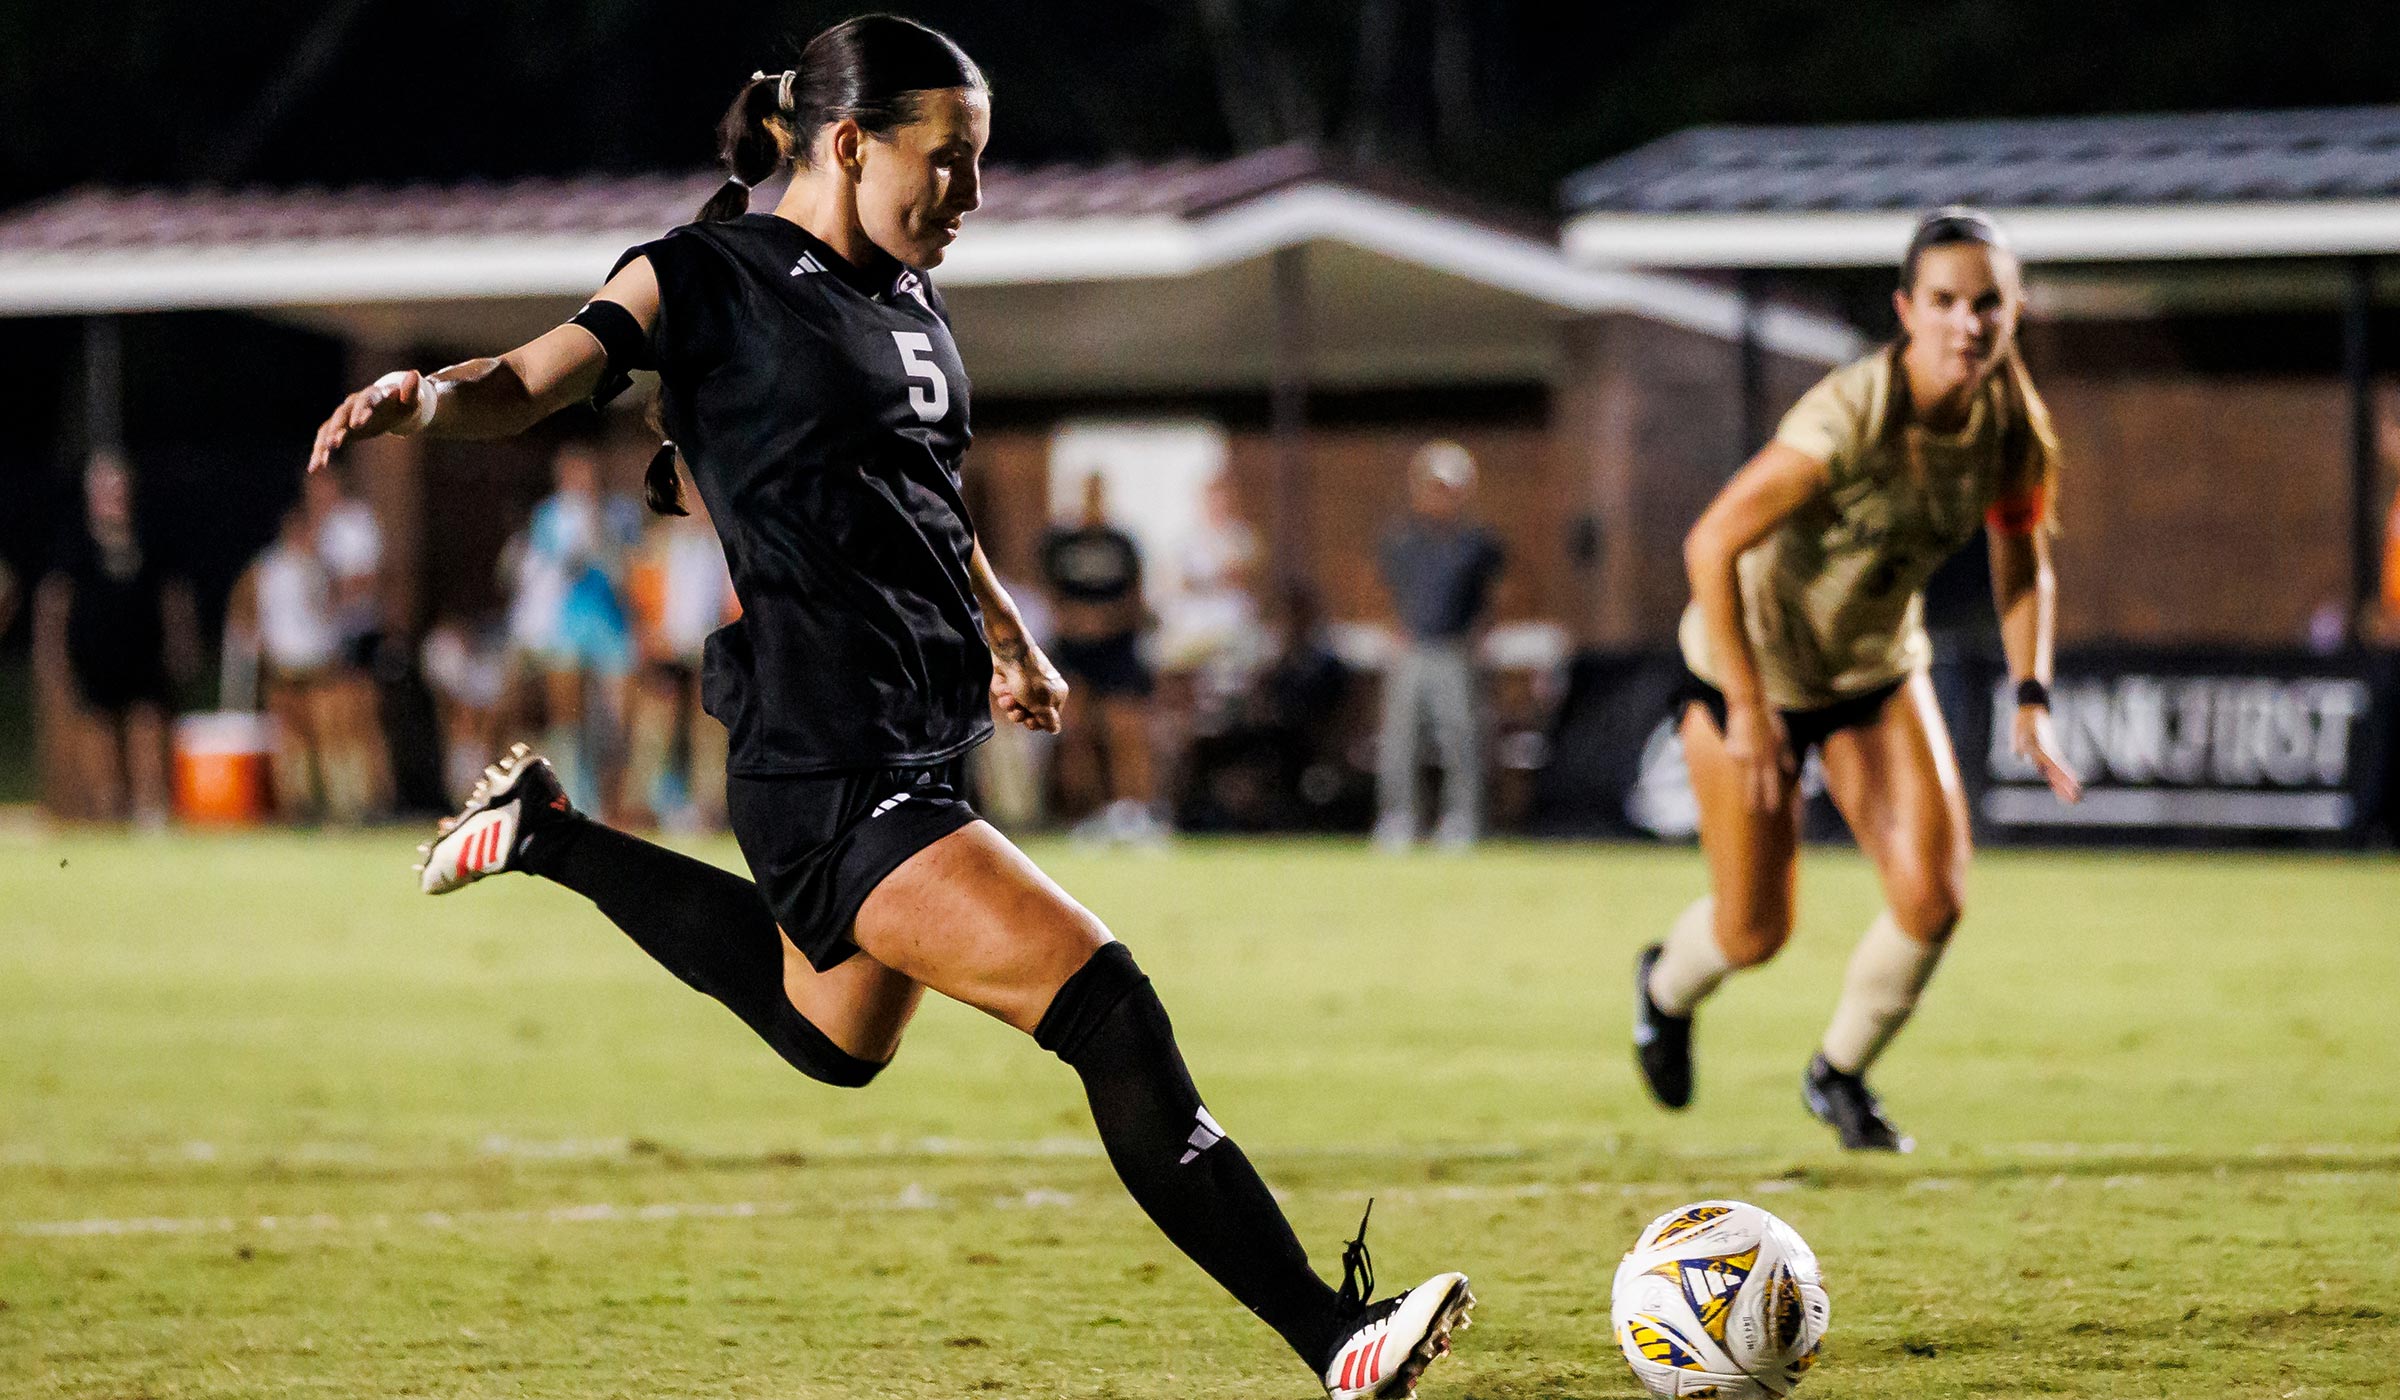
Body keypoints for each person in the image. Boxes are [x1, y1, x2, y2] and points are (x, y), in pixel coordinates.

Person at [307, 19, 1471, 1398]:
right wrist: (426, 399)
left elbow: (925, 496)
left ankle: (549, 833)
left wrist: (1011, 637)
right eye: (951, 163)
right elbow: (530, 380)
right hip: (827, 749)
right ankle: (1333, 1341)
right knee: (1107, 1008)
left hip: (915, 733)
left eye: (980, 165)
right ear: (848, 142)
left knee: (831, 1037)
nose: (970, 197)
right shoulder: (702, 275)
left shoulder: (914, 300)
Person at [1631, 207, 2084, 1153]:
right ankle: (1663, 989)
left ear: (2015, 311)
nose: (1968, 323)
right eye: (1946, 302)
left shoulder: (2010, 425)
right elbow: (1709, 542)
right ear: (1907, 310)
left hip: (1871, 672)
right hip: (1745, 672)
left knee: (1934, 897)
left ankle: (1837, 1073)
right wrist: (1751, 710)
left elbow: (2022, 560)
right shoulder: (1850, 415)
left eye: (1987, 303)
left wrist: (2032, 694)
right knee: (1754, 933)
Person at [34, 451, 198, 827]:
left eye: (118, 486)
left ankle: (151, 813)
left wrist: (181, 643)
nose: (113, 495)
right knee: (99, 736)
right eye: (104, 488)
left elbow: (174, 596)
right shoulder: (75, 540)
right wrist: (53, 655)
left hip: (144, 655)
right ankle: (108, 814)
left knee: (147, 727)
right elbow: (54, 601)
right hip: (93, 657)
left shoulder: (148, 535)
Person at [1373, 441, 1504, 852]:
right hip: (1412, 648)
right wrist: (1391, 632)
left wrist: (1483, 635)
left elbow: (1503, 595)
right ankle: (1400, 818)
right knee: (1399, 740)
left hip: (1454, 648)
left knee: (1460, 737)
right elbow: (1380, 591)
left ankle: (1462, 819)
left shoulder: (1477, 544)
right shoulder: (1401, 541)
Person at [1040, 472, 1168, 846]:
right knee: (1074, 732)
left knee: (1125, 729)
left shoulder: (1122, 543)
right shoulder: (1060, 543)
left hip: (1117, 649)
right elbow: (1051, 598)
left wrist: (1104, 621)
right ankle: (1089, 816)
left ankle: (1136, 813)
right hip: (1073, 650)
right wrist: (1079, 622)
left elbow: (1137, 600)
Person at [526, 439, 643, 812]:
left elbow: (629, 570)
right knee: (567, 715)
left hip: (610, 624)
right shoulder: (549, 516)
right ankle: (574, 793)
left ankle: (616, 801)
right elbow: (547, 575)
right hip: (568, 624)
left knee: (617, 720)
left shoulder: (618, 514)